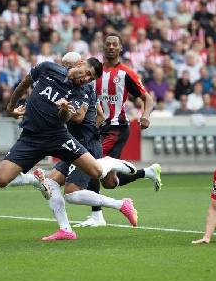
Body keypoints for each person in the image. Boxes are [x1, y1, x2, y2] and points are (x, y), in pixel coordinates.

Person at [0, 58, 137, 214]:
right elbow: (25, 83)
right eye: (88, 74)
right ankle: (36, 179)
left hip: (58, 137)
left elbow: (65, 119)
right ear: (80, 64)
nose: (87, 79)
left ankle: (109, 162)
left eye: (91, 79)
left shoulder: (80, 93)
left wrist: (63, 110)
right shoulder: (47, 68)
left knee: (96, 172)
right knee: (1, 180)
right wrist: (10, 108)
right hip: (30, 138)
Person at [37, 52, 141, 241]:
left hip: (85, 147)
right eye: (64, 66)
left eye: (69, 66)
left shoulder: (83, 88)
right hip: (74, 145)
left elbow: (78, 116)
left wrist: (87, 133)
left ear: (79, 64)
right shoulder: (70, 84)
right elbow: (100, 114)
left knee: (71, 194)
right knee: (50, 182)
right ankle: (66, 230)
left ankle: (121, 203)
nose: (66, 70)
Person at [76, 35, 160, 228]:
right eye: (108, 44)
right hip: (96, 128)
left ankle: (97, 216)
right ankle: (148, 172)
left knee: (92, 166)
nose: (111, 47)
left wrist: (145, 115)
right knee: (109, 182)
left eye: (115, 44)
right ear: (102, 47)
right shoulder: (93, 72)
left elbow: (147, 98)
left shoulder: (125, 73)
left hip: (116, 128)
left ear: (121, 48)